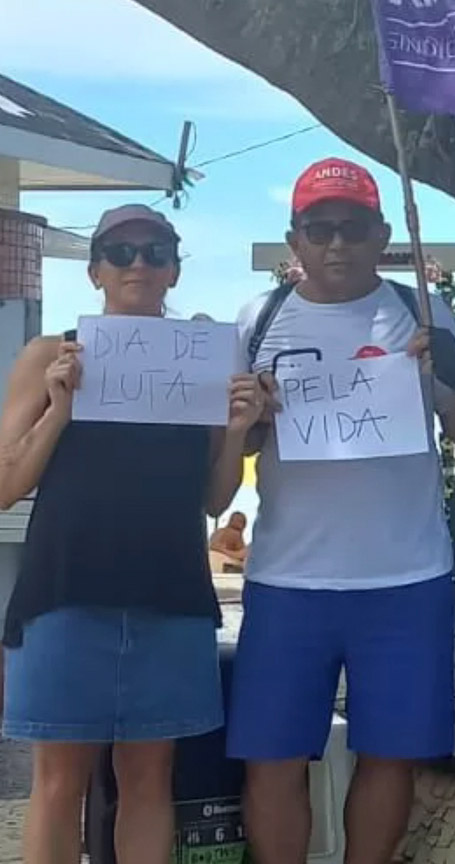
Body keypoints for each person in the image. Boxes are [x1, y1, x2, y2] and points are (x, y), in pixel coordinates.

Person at [226, 158, 455, 864]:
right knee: (272, 760)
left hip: (406, 578)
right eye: (320, 229)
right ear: (295, 239)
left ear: (382, 234)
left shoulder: (422, 311)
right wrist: (248, 418)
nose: (336, 244)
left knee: (392, 757)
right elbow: (233, 449)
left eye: (353, 228)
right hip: (288, 578)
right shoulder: (259, 318)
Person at [0, 205, 256, 864]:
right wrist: (59, 411)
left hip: (170, 596)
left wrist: (234, 429)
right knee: (59, 784)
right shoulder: (47, 354)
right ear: (94, 271)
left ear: (172, 268)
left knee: (150, 783)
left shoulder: (202, 361)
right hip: (64, 594)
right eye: (120, 252)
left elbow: (215, 499)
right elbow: (4, 483)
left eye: (155, 250)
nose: (138, 264)